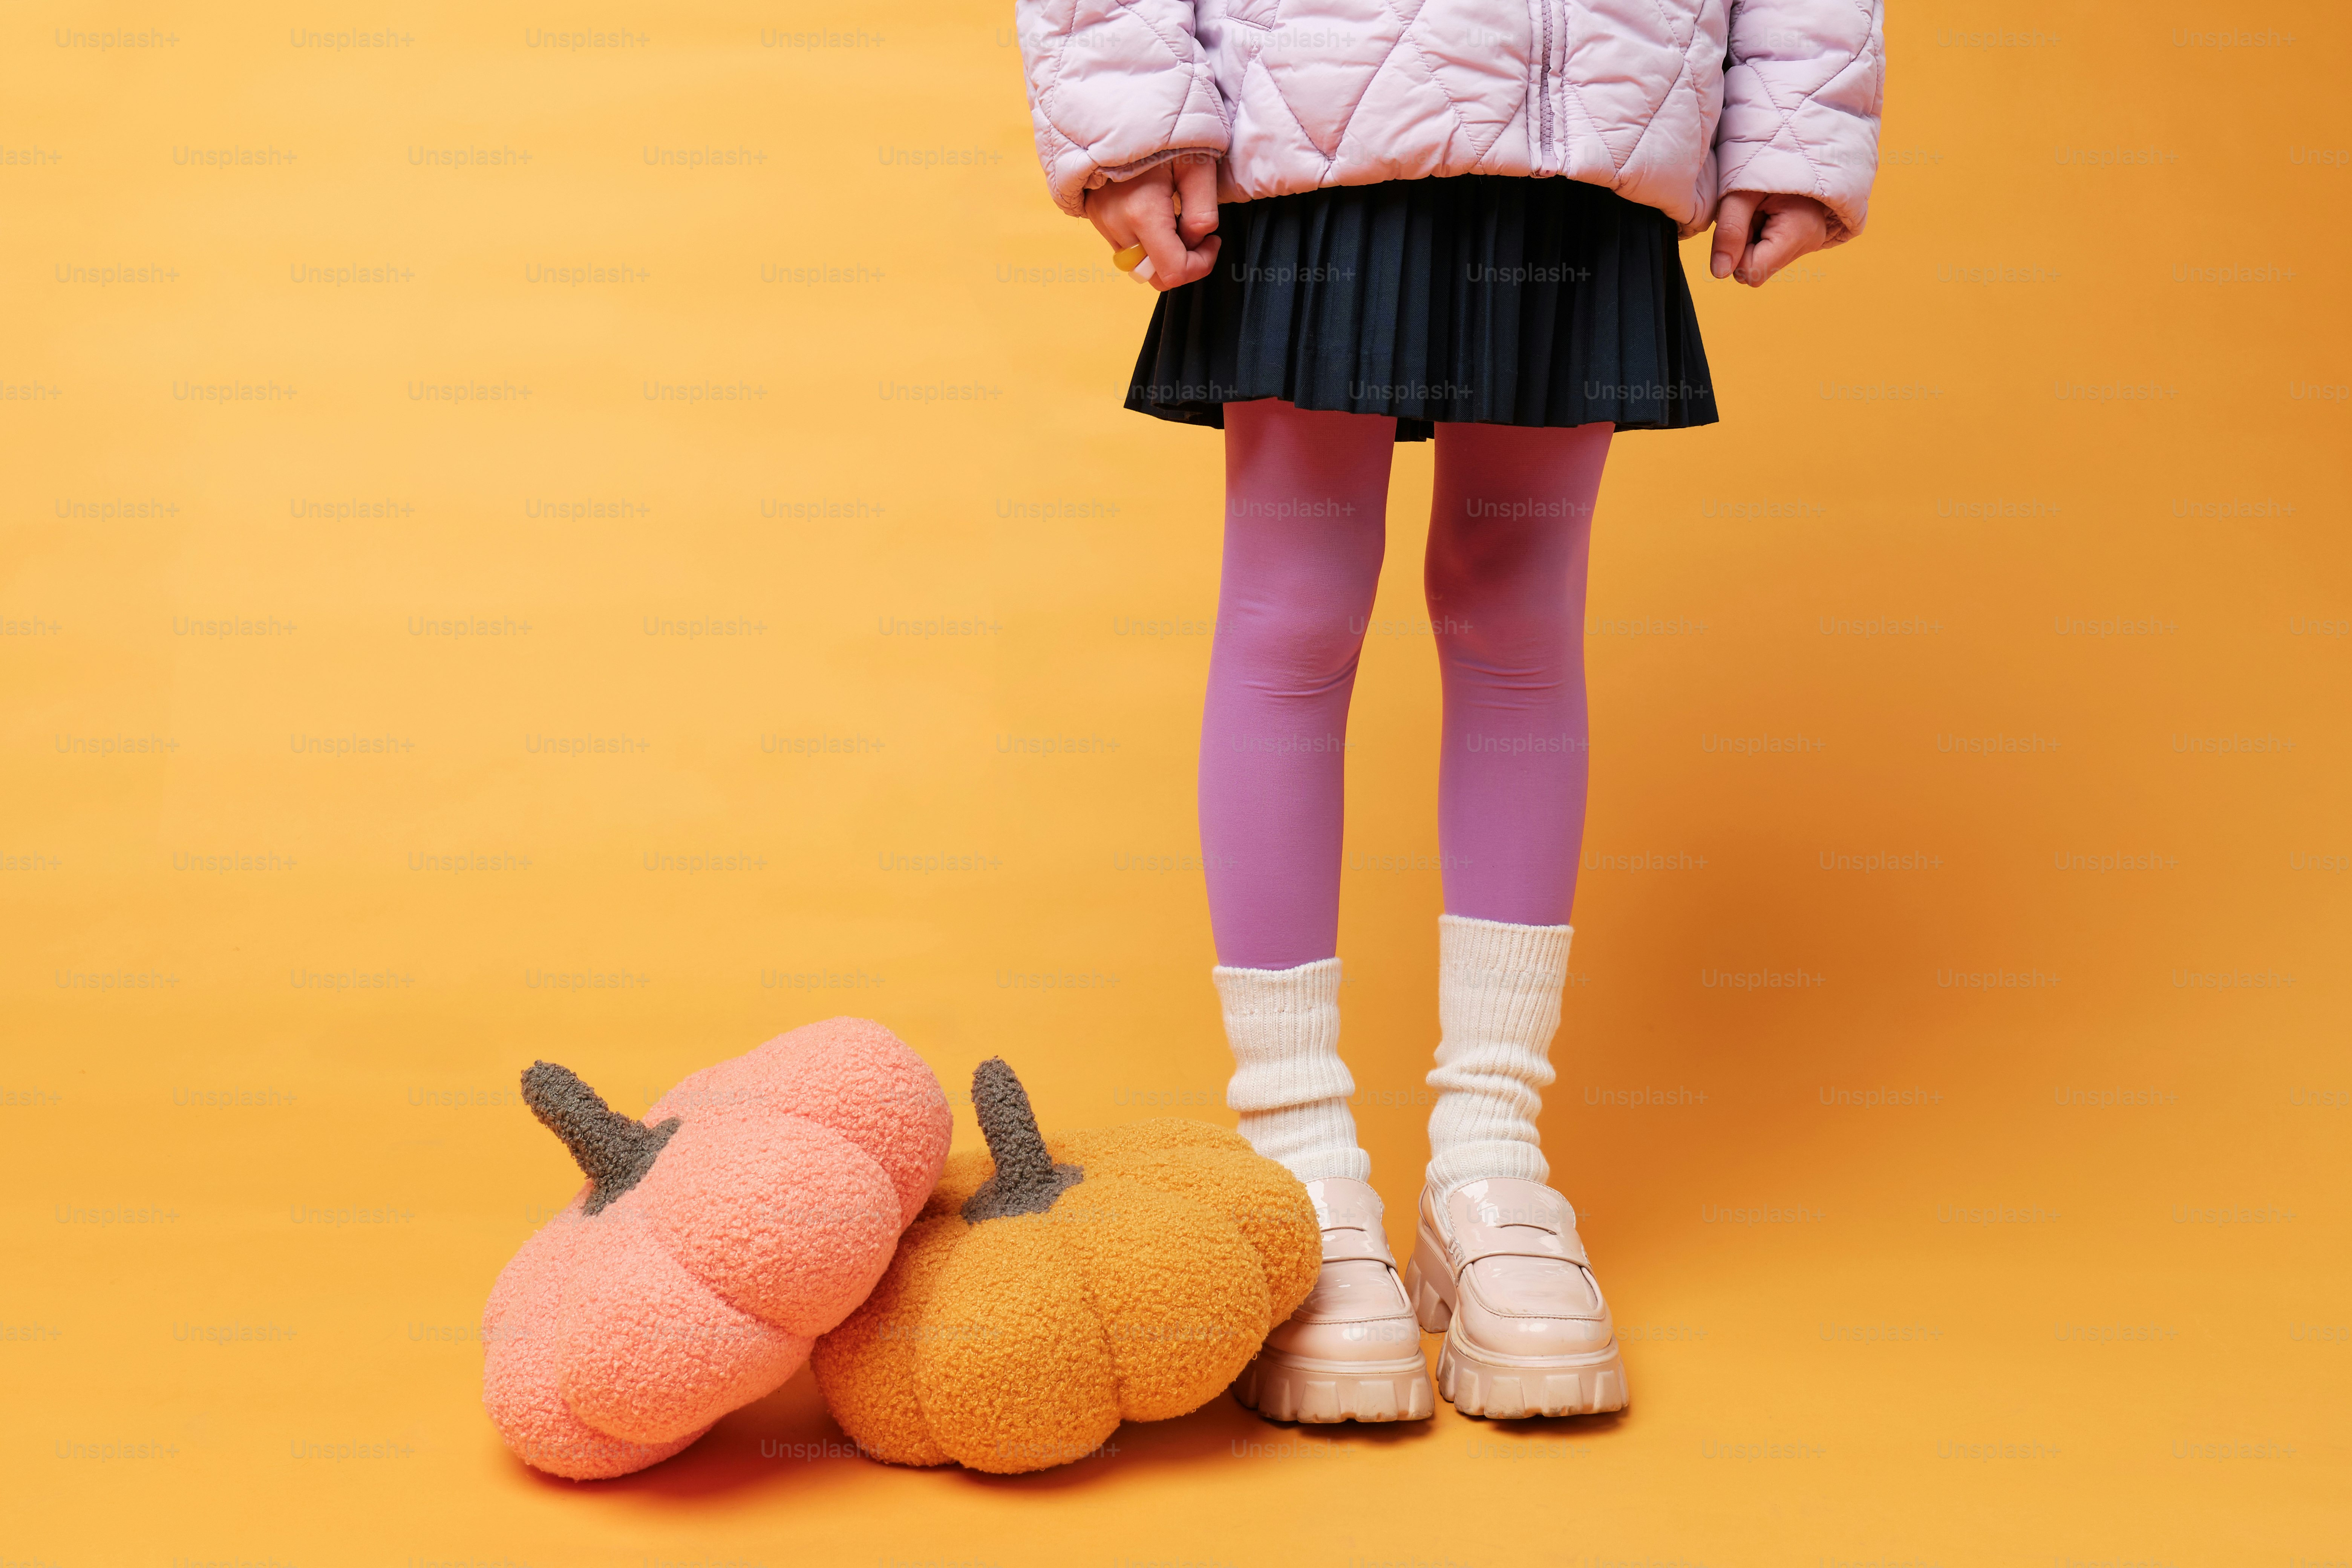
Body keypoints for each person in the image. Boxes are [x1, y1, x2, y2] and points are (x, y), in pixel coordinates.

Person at [1013, 0, 1885, 1423]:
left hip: (1592, 116)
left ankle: (1492, 1155)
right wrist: (1130, 109)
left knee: (1518, 622)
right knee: (1295, 619)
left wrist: (1793, 107)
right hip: (1320, 103)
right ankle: (1298, 1163)